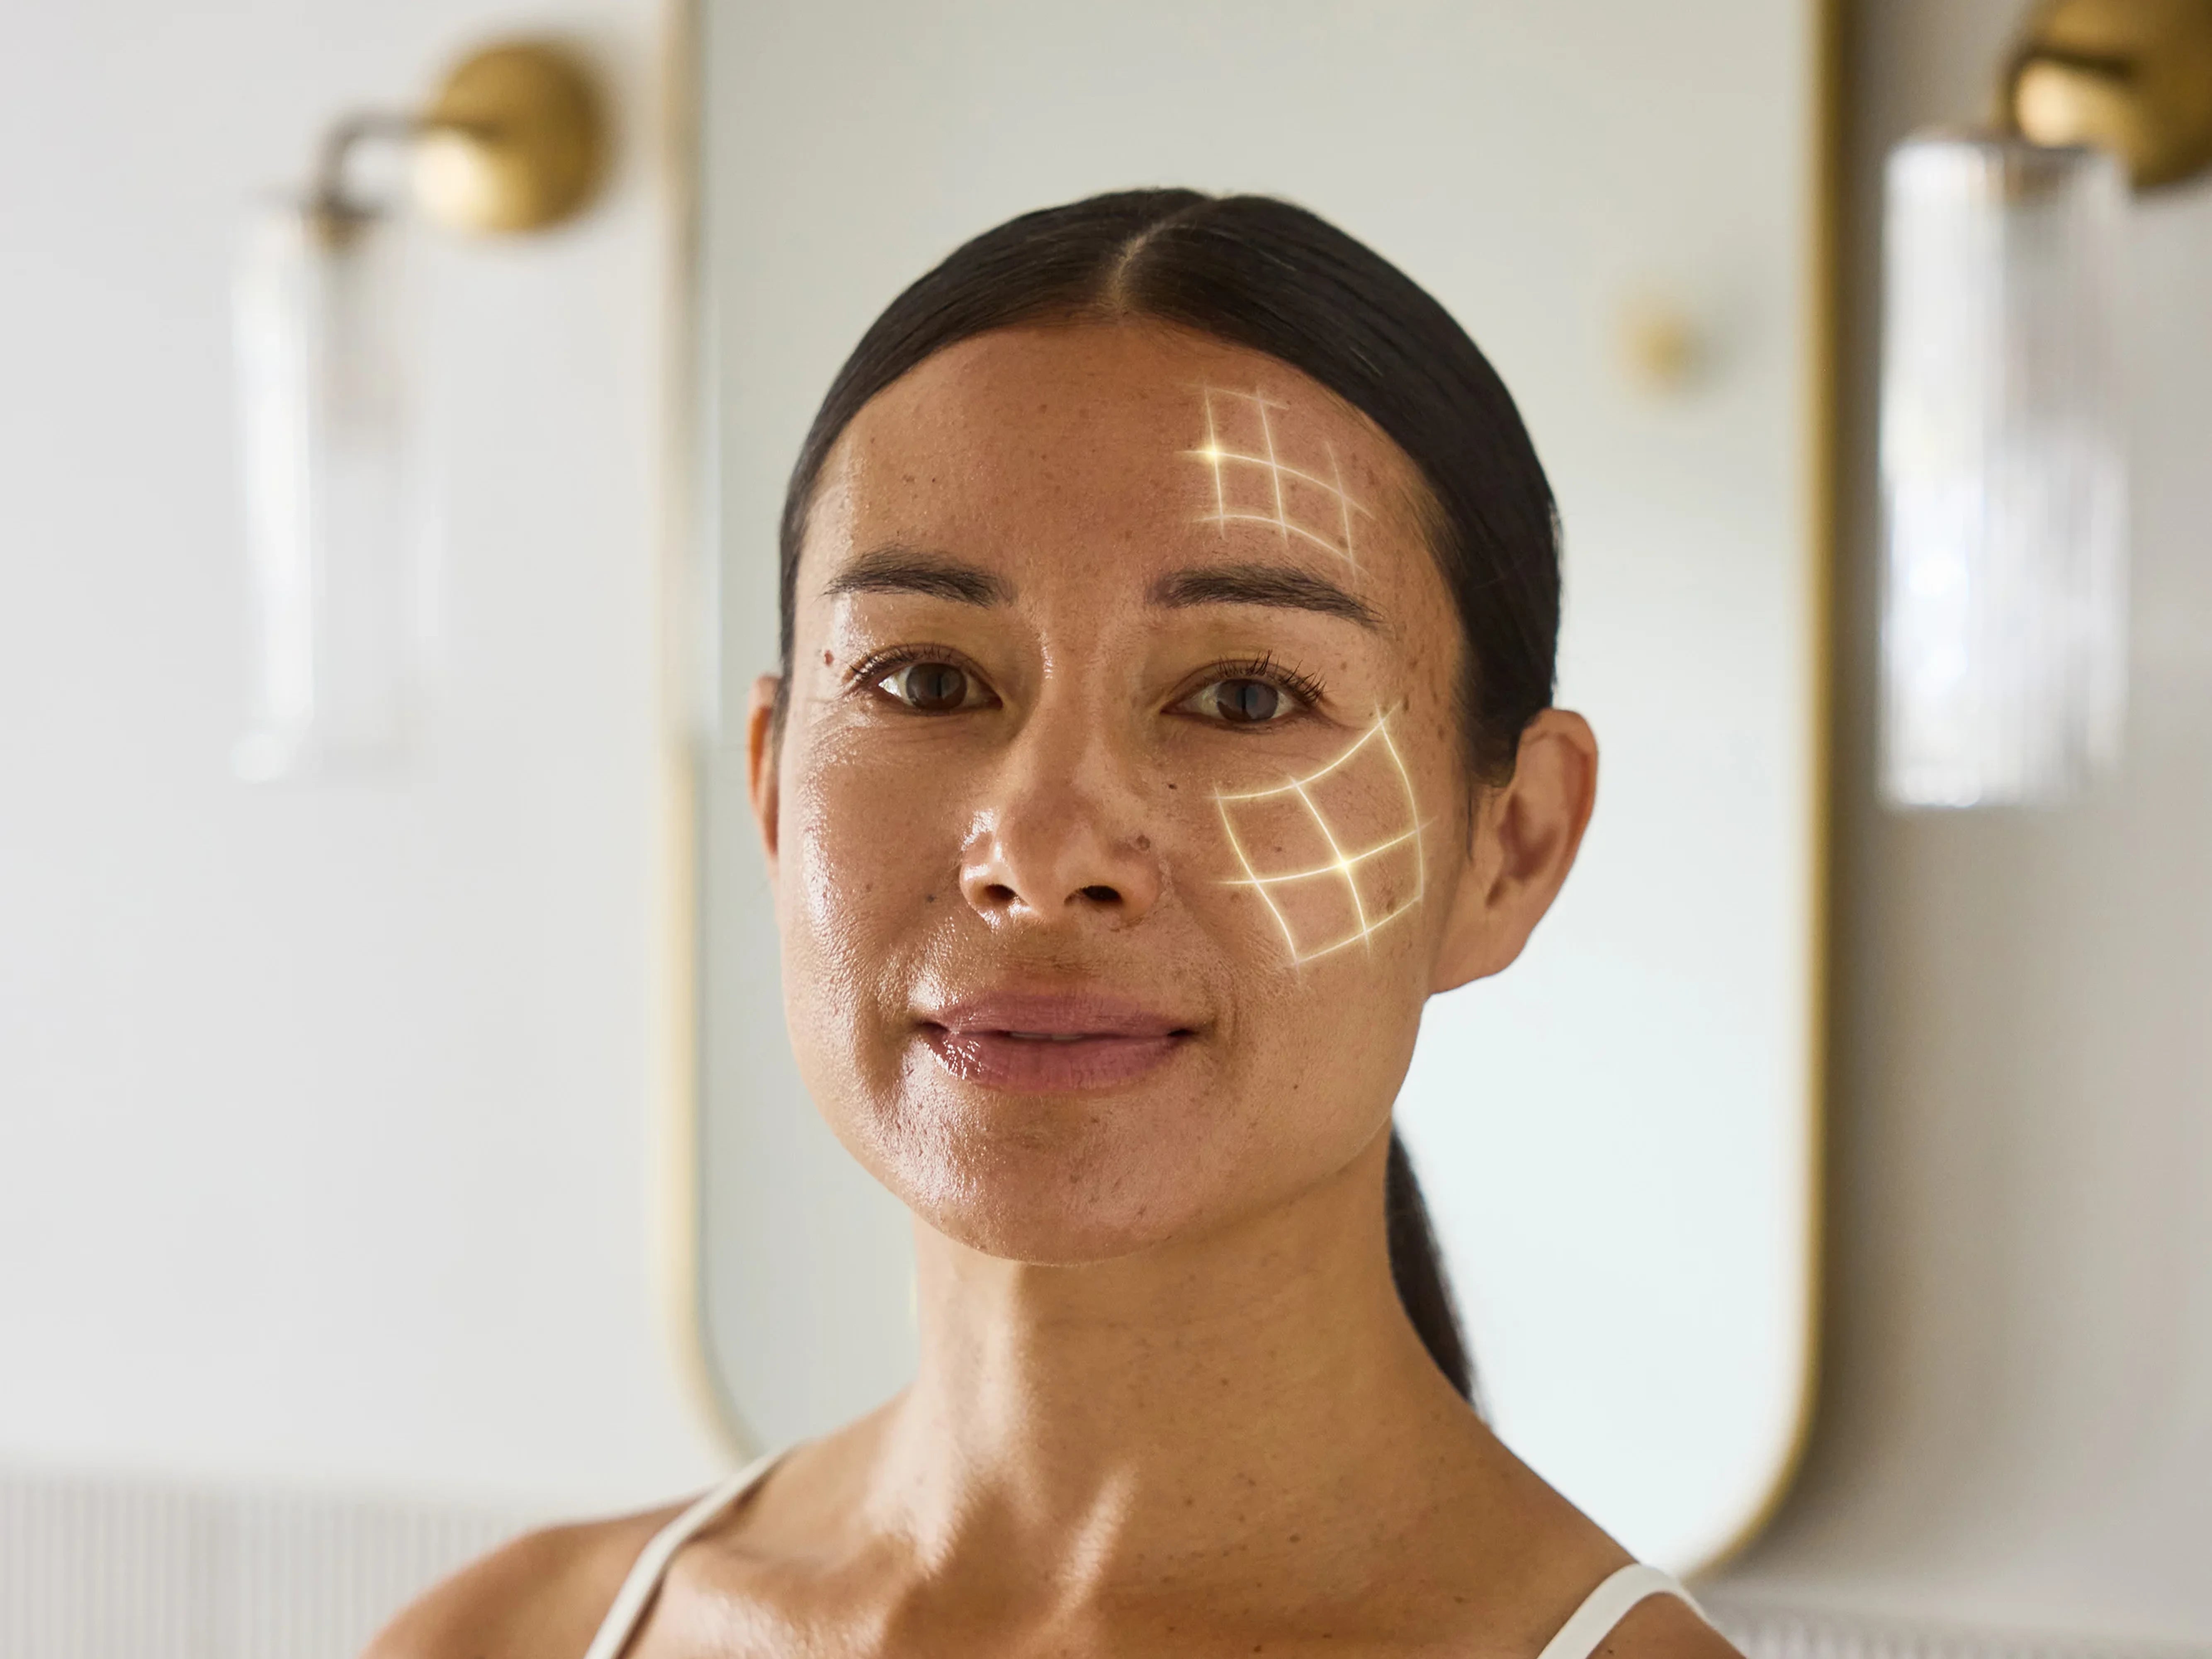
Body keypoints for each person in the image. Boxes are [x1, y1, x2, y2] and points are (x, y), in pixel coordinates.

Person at [371, 189, 1738, 1659]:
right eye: (924, 681)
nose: (1039, 854)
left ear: (1511, 848)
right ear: (771, 788)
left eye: (1245, 697)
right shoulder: (509, 1639)